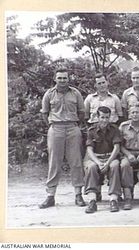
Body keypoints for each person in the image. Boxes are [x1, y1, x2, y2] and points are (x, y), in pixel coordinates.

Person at [39, 68, 86, 209]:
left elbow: (82, 112)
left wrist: (74, 124)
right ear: (55, 79)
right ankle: (50, 196)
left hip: (72, 128)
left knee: (76, 161)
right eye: (60, 78)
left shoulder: (76, 93)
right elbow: (44, 114)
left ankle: (78, 194)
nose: (62, 81)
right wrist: (54, 125)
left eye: (65, 78)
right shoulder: (49, 94)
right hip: (56, 128)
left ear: (68, 79)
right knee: (54, 162)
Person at [83, 106, 122, 213]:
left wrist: (108, 162)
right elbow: (89, 150)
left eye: (107, 117)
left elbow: (117, 148)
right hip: (96, 157)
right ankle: (92, 201)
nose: (104, 120)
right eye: (102, 117)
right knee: (91, 167)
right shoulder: (91, 130)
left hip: (111, 157)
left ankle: (113, 200)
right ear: (97, 117)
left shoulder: (114, 129)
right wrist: (99, 163)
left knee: (114, 166)